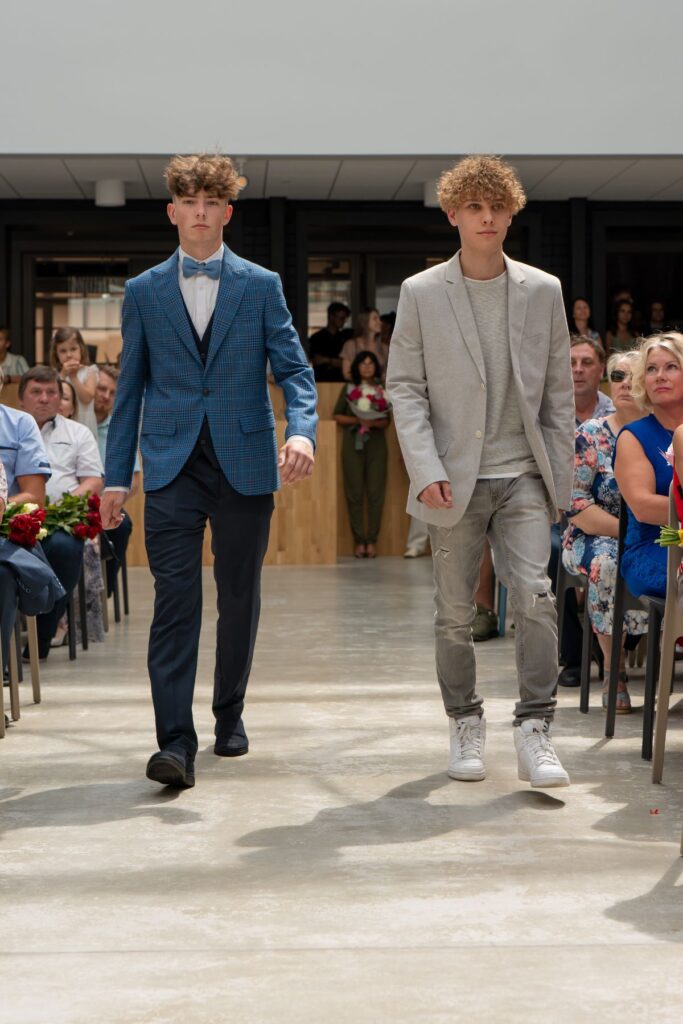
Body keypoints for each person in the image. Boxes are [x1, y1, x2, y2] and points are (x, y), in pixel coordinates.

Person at [101, 153, 318, 790]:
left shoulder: (261, 285)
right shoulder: (143, 291)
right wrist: (117, 476)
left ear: (227, 212)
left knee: (238, 595)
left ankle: (229, 712)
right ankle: (174, 743)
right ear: (173, 212)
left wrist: (301, 430)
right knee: (175, 600)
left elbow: (295, 371)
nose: (200, 213)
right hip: (170, 464)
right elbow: (129, 391)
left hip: (245, 460)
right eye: (189, 203)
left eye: (211, 203)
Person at [387, 154, 574, 788]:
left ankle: (535, 727)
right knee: (453, 614)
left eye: (497, 207)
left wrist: (561, 485)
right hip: (451, 479)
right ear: (453, 215)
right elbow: (404, 388)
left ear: (511, 213)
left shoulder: (543, 290)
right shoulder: (420, 292)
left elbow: (557, 394)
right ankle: (465, 721)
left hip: (524, 474)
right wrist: (424, 468)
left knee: (536, 597)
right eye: (474, 207)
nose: (486, 217)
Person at [562, 350, 646, 713]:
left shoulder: (663, 433)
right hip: (595, 534)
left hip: (652, 534)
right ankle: (614, 669)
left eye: (633, 376)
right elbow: (577, 505)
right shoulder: (591, 434)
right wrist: (629, 531)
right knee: (608, 564)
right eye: (617, 376)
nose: (624, 384)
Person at [19, 366, 104, 657]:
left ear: (60, 397)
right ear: (22, 399)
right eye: (36, 392)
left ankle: (42, 635)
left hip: (59, 521)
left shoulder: (78, 433)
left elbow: (93, 480)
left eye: (51, 392)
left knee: (65, 548)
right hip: (16, 518)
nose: (44, 398)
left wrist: (61, 505)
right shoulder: (9, 429)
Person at [553, 335, 616, 687]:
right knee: (548, 551)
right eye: (571, 363)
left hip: (605, 512)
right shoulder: (548, 413)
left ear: (601, 369)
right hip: (556, 513)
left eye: (586, 362)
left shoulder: (619, 411)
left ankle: (610, 647)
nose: (577, 370)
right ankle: (575, 653)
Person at [614, 333, 683, 600]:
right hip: (656, 544)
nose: (659, 376)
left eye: (671, 367)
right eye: (652, 369)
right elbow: (642, 507)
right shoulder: (634, 436)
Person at [333, 350, 390, 558]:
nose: (367, 367)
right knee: (354, 492)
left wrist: (372, 422)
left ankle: (372, 541)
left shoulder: (382, 390)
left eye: (370, 363)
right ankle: (359, 541)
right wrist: (359, 420)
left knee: (376, 493)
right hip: (352, 442)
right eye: (363, 363)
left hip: (376, 443)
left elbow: (387, 421)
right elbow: (337, 415)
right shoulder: (349, 388)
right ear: (356, 366)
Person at [94, 365, 140, 597]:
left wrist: (107, 503)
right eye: (101, 389)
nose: (106, 396)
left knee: (121, 525)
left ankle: (104, 592)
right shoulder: (73, 423)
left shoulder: (119, 430)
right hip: (71, 497)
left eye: (112, 393)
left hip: (103, 501)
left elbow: (134, 481)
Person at [48, 327, 99, 438]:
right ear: (56, 354)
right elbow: (52, 394)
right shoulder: (55, 374)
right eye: (63, 351)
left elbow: (87, 398)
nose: (69, 355)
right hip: (62, 422)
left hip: (85, 422)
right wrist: (62, 375)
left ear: (81, 349)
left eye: (73, 349)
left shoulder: (90, 371)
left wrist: (73, 377)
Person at [341, 309, 389, 381]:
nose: (380, 322)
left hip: (379, 387)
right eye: (375, 319)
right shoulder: (351, 345)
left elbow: (389, 373)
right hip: (357, 387)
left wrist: (377, 382)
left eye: (379, 319)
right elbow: (346, 374)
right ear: (364, 322)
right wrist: (365, 383)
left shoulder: (385, 348)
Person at [308, 302, 350, 382]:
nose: (344, 321)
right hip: (321, 381)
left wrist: (327, 360)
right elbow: (317, 360)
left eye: (345, 318)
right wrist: (336, 362)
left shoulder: (345, 337)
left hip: (341, 381)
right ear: (331, 317)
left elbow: (348, 363)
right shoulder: (316, 338)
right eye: (341, 318)